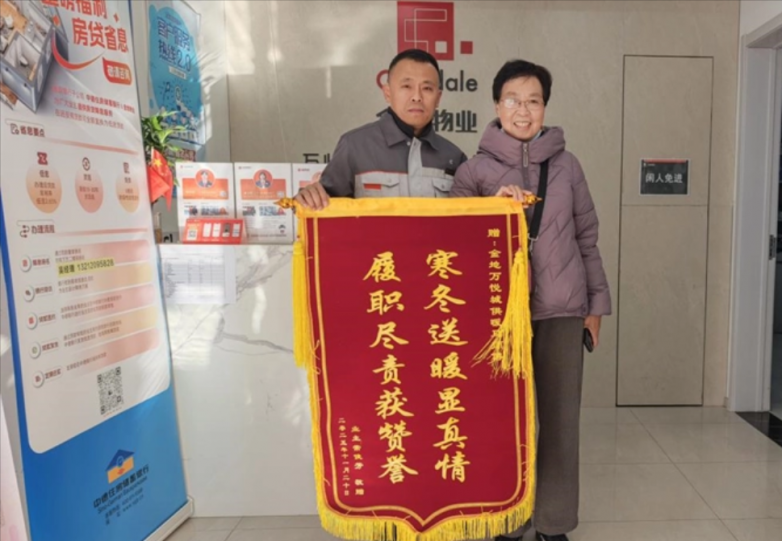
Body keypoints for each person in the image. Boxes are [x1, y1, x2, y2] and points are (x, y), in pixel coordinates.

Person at [450, 60, 612, 541]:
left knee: (560, 421)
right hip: (499, 317)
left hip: (562, 310)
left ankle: (553, 522)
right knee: (504, 423)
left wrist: (595, 305)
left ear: (545, 107)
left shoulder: (568, 165)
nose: (523, 111)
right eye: (513, 100)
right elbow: (454, 242)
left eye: (534, 101)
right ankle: (508, 518)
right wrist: (490, 208)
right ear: (496, 105)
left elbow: (587, 237)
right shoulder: (473, 170)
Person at [295, 48, 466, 209]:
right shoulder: (354, 147)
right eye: (407, 86)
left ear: (438, 98)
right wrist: (308, 198)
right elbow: (322, 209)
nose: (417, 97)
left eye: (427, 88)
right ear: (388, 93)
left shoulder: (454, 157)